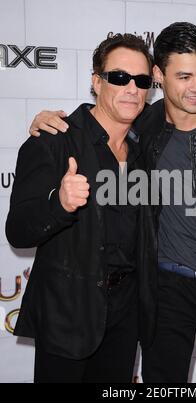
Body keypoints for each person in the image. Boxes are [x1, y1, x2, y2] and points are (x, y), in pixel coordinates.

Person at [28, 22, 196, 383]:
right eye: (184, 76)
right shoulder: (143, 126)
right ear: (159, 75)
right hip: (165, 293)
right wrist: (46, 122)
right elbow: (97, 127)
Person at [6, 33, 154, 383]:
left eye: (142, 80)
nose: (131, 88)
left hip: (125, 314)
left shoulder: (145, 149)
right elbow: (18, 230)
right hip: (69, 313)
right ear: (96, 82)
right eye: (119, 77)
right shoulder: (55, 139)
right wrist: (58, 203)